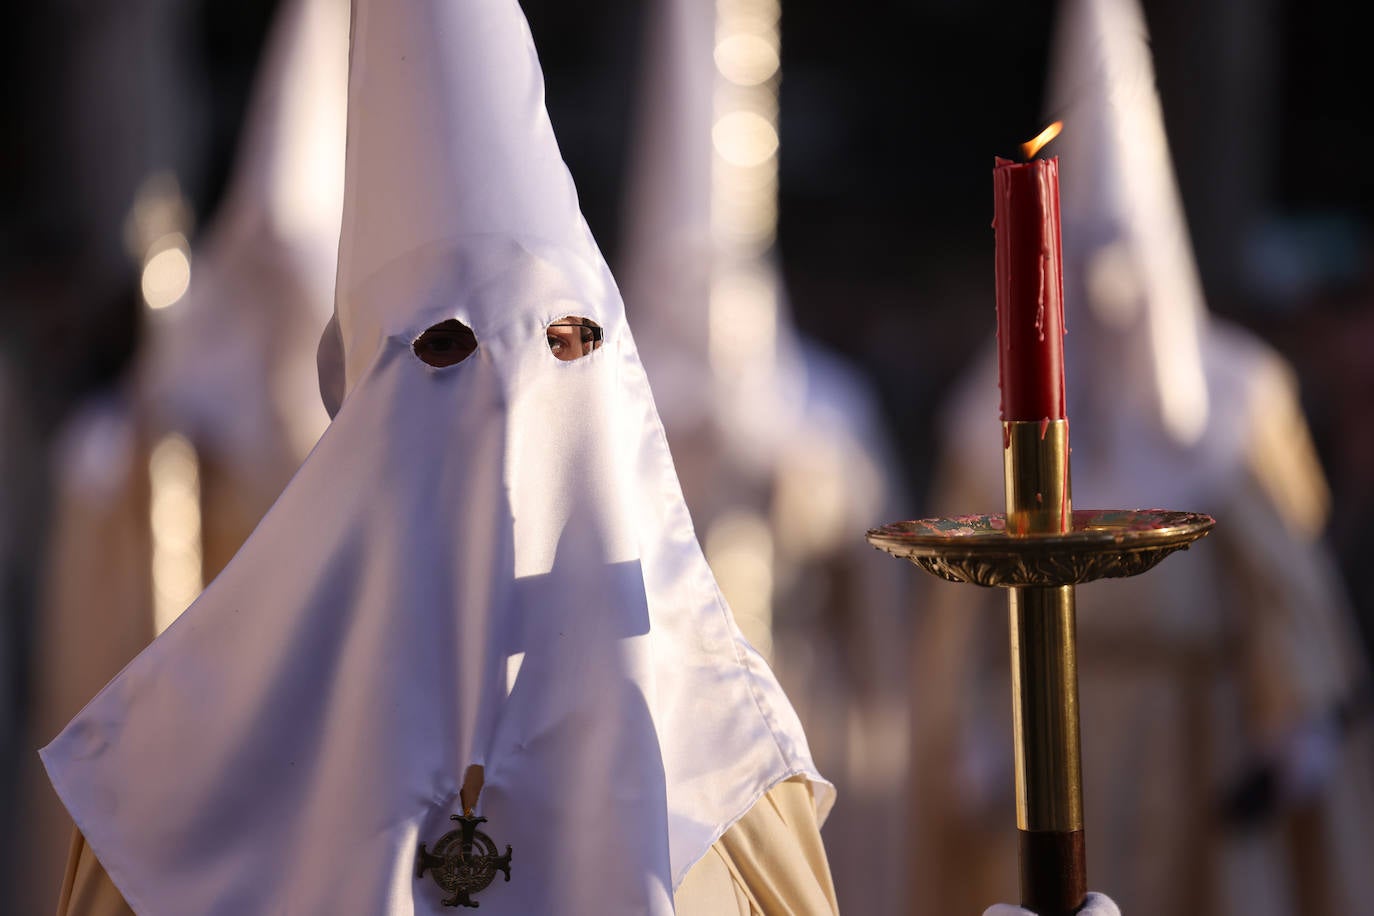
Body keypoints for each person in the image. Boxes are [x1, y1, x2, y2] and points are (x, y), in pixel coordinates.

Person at [43, 0, 838, 913]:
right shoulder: (170, 786)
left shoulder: (731, 785)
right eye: (448, 348)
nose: (512, 402)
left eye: (564, 342)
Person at [907, 0, 1374, 913]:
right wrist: (969, 734)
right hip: (1046, 743)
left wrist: (1293, 724)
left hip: (1200, 727)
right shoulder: (984, 418)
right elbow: (958, 616)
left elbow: (1288, 586)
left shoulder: (1240, 400)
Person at [615, 1, 913, 909]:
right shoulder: (608, 415)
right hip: (648, 727)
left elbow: (878, 570)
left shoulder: (823, 401)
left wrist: (797, 480)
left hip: (796, 712)